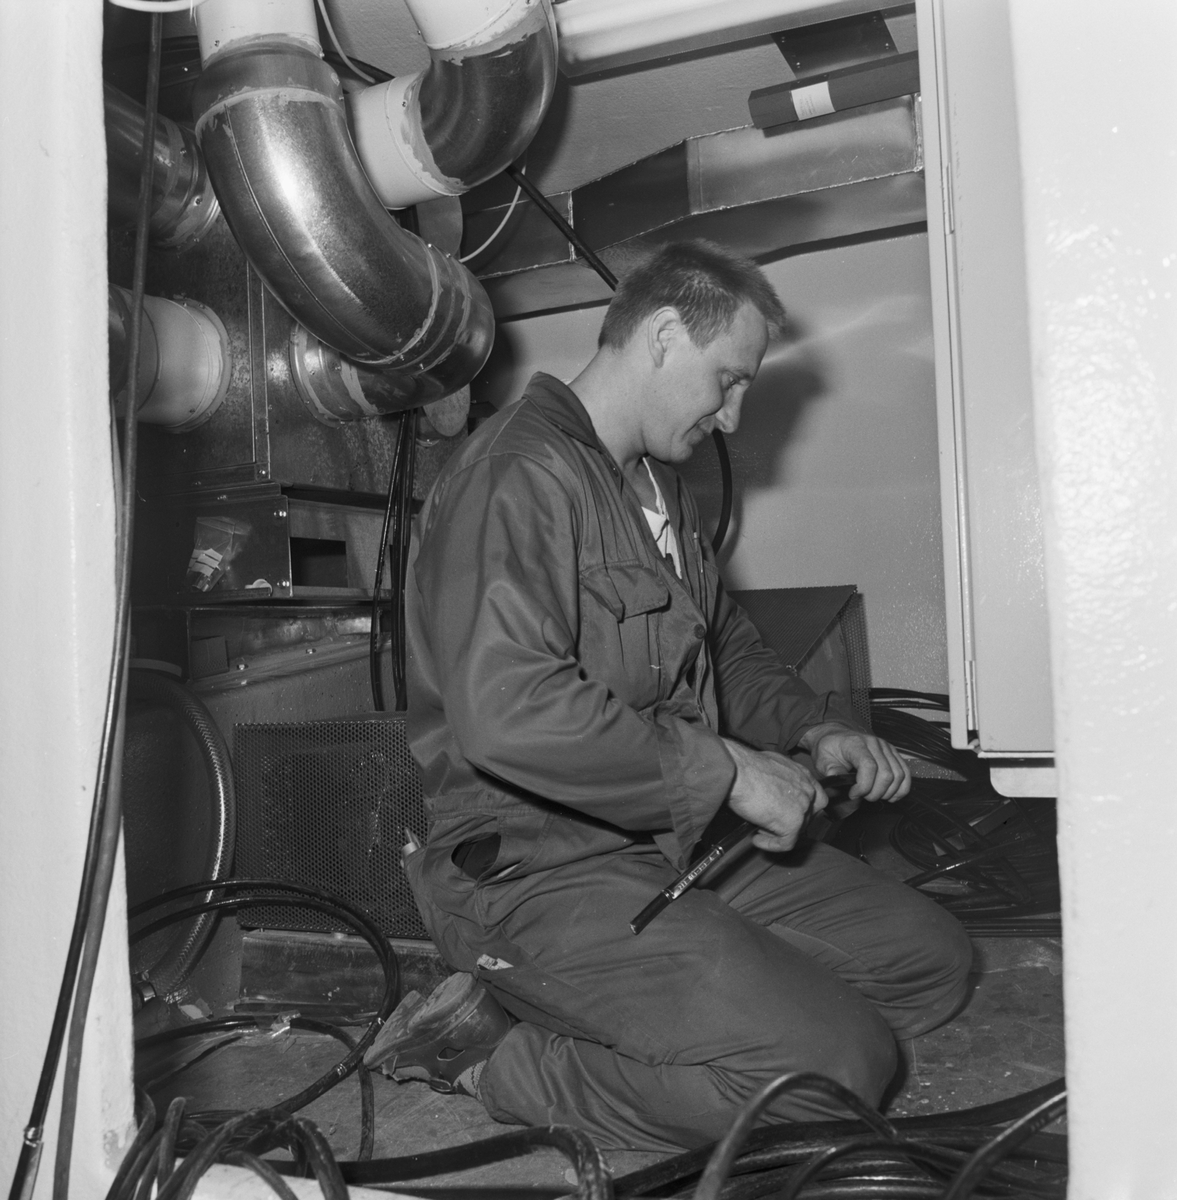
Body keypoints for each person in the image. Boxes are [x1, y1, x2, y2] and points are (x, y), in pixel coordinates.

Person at [367, 240, 972, 1152]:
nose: (731, 417)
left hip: (676, 845)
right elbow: (510, 711)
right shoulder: (516, 476)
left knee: (931, 965)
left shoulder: (657, 487)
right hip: (540, 869)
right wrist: (731, 772)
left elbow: (724, 648)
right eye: (727, 380)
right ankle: (493, 1054)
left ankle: (706, 1009)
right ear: (659, 337)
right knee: (832, 1073)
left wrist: (816, 729)